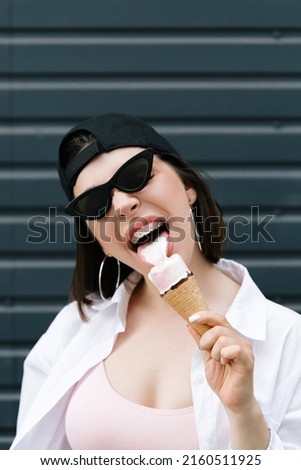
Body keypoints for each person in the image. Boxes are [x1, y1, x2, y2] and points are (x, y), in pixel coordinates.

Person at [11, 113, 301, 450]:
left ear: (188, 187)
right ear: (98, 239)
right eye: (95, 203)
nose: (122, 204)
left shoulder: (289, 340)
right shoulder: (69, 331)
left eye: (136, 174)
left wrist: (245, 414)